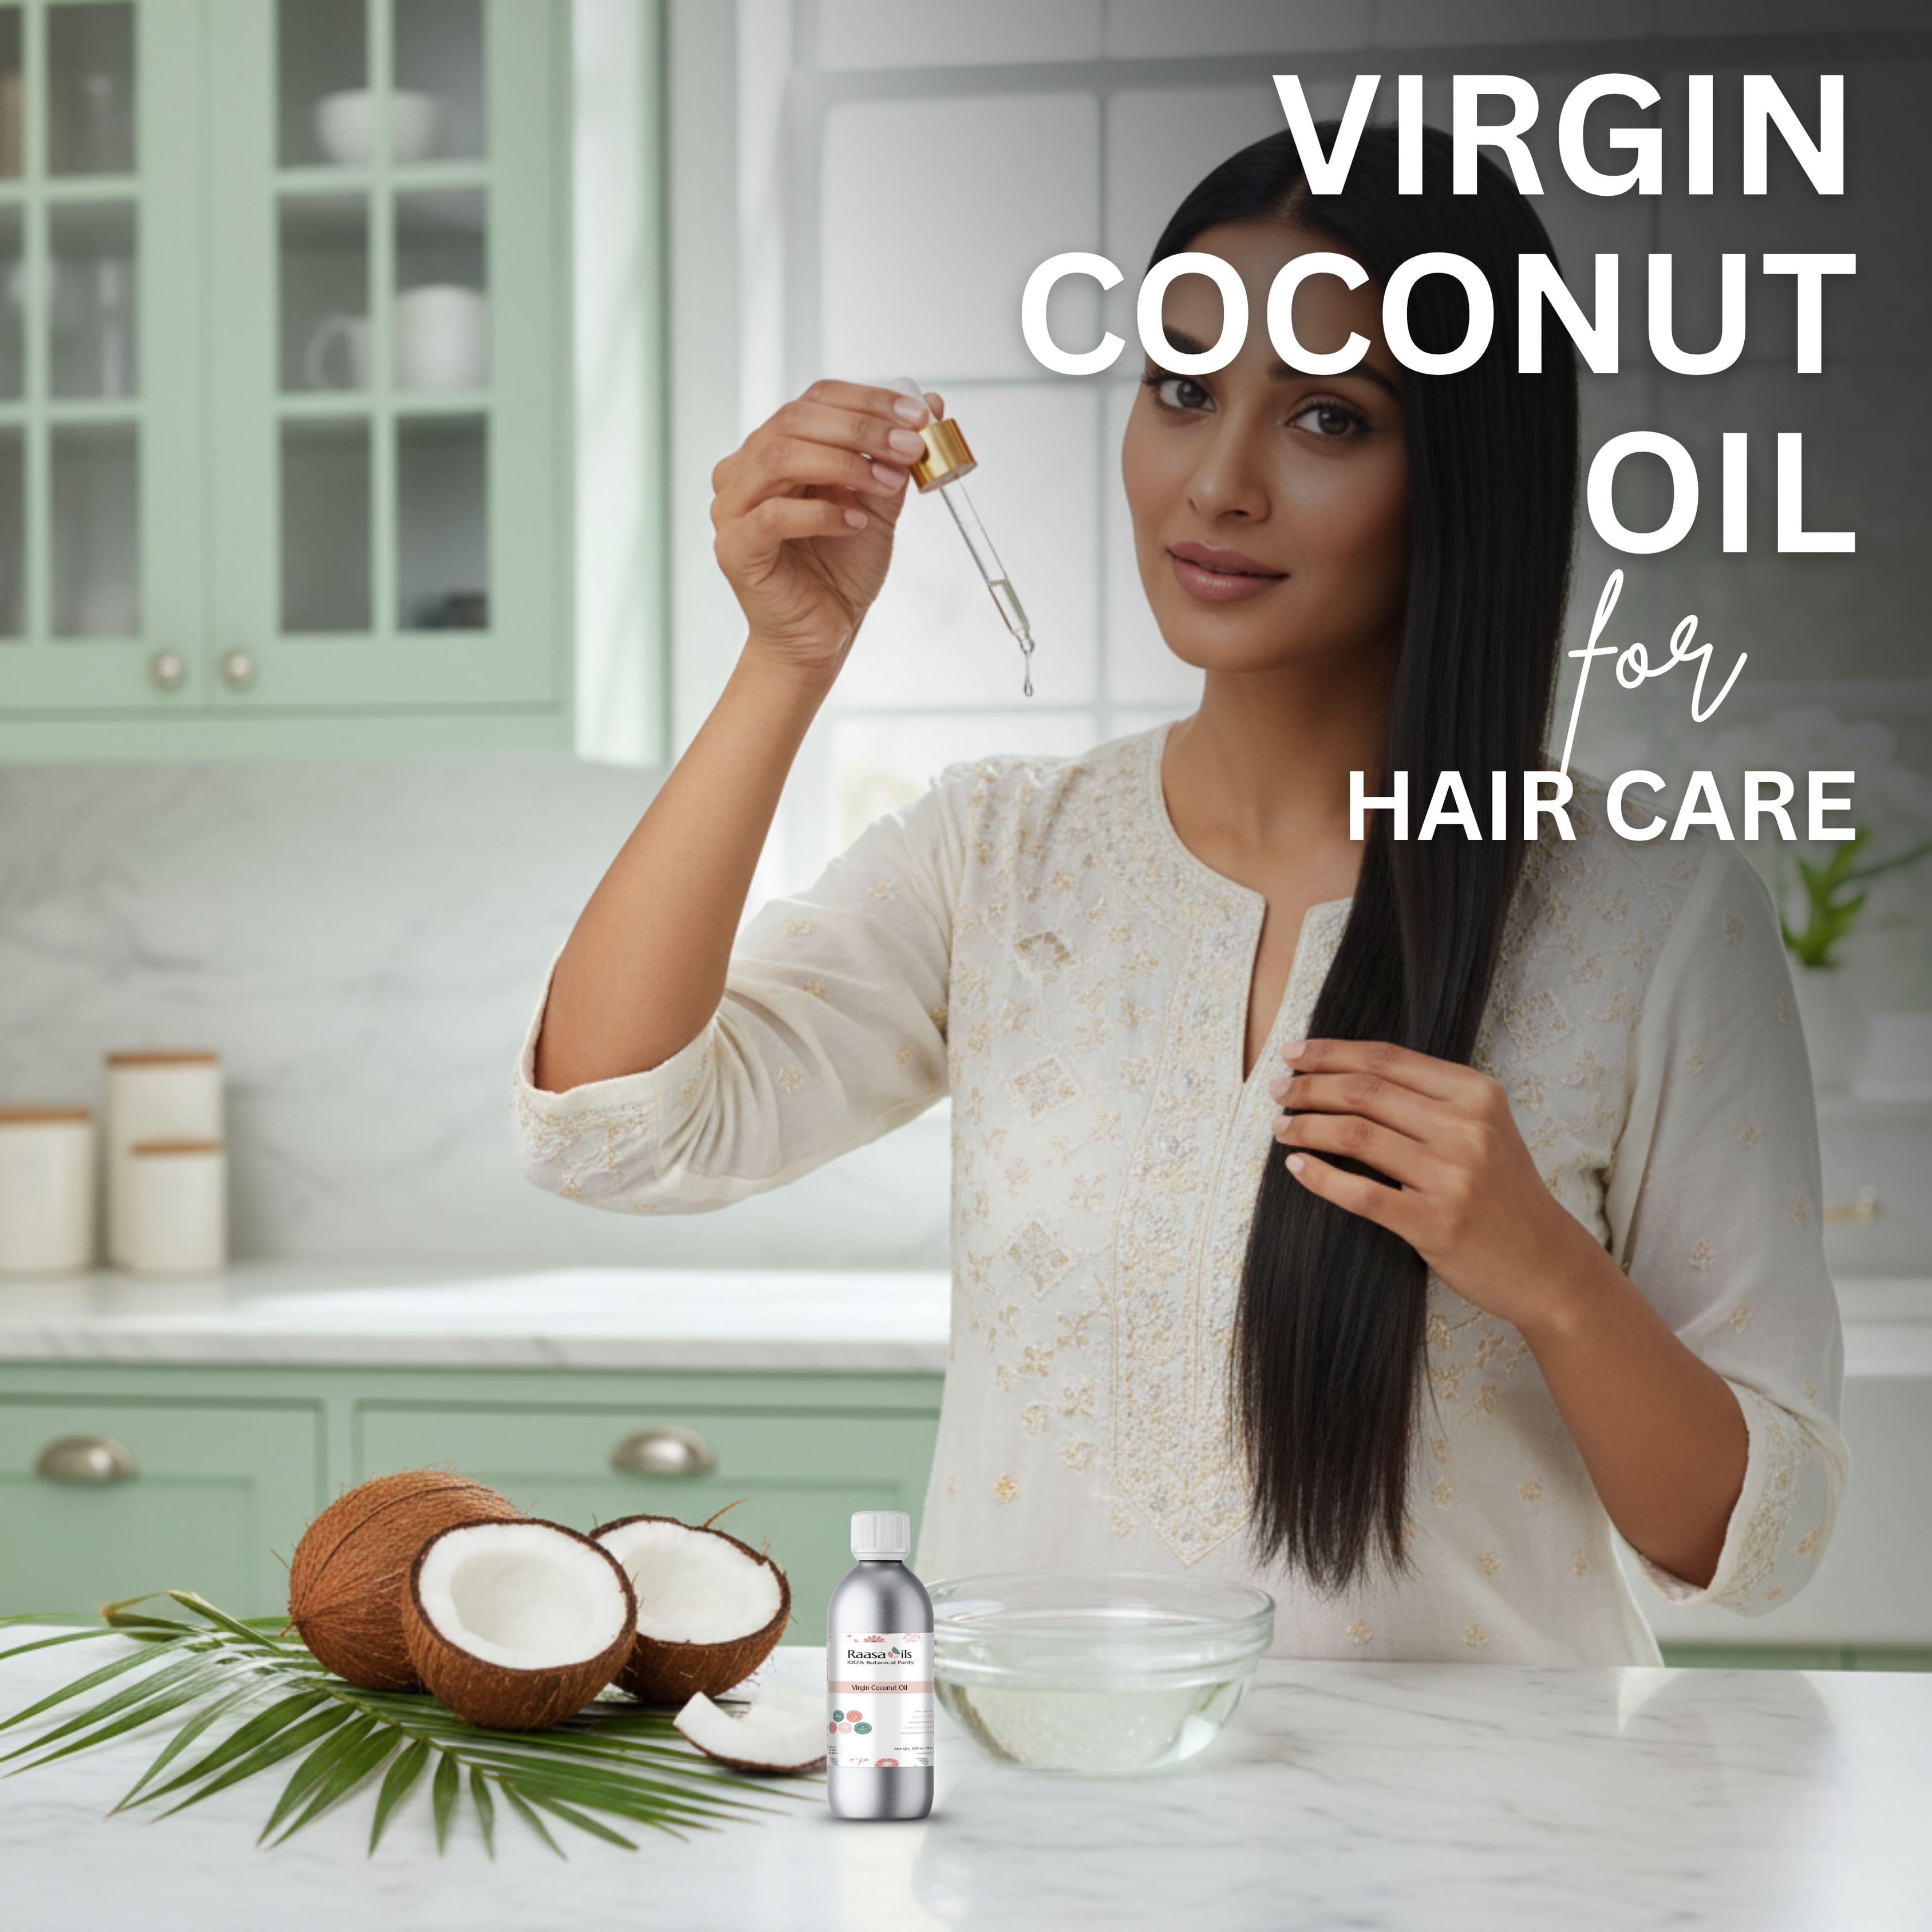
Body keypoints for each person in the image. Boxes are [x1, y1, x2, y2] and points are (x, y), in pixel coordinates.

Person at [511, 127, 1847, 1665]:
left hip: (1473, 1871)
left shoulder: (1654, 915)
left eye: (1331, 419)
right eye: (1183, 388)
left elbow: (1770, 1535)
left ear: (1463, 471)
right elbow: (609, 1131)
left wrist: (1548, 1271)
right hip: (1047, 1855)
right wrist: (786, 659)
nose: (1218, 484)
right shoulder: (1000, 857)